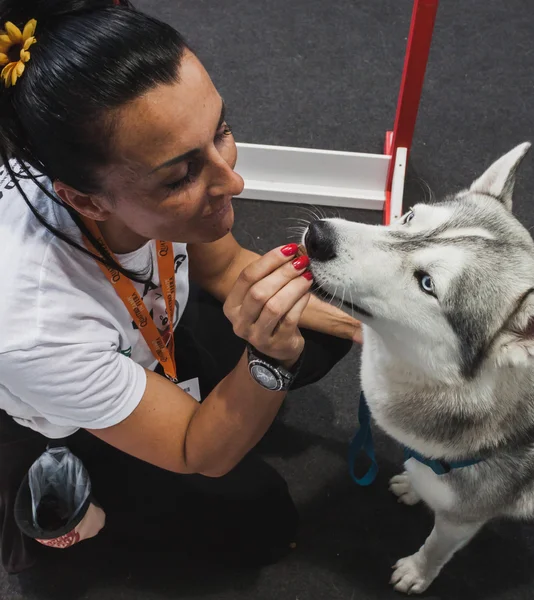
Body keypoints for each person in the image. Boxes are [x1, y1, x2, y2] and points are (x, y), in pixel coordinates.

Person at [0, 0, 361, 574]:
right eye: (181, 175)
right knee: (265, 522)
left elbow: (221, 269)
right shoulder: (36, 328)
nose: (233, 180)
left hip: (149, 332)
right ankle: (61, 533)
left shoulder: (133, 182)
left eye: (220, 131)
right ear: (85, 200)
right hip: (53, 417)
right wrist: (268, 359)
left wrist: (373, 330)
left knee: (331, 329)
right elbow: (197, 449)